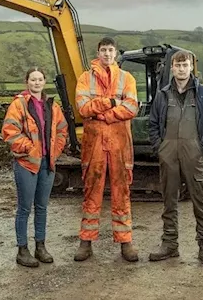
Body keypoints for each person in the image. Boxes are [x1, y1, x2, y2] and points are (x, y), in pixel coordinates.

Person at [148, 50, 203, 266]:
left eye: (185, 65)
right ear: (172, 68)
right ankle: (170, 244)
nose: (181, 69)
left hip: (193, 153)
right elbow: (153, 124)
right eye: (178, 65)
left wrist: (202, 148)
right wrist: (159, 147)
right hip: (168, 152)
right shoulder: (162, 95)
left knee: (200, 200)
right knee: (169, 200)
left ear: (191, 68)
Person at [73, 36, 140, 262]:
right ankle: (86, 241)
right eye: (103, 50)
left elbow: (131, 106)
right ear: (98, 52)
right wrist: (110, 102)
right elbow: (83, 107)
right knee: (91, 193)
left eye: (111, 50)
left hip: (119, 143)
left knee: (122, 192)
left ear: (116, 53)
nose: (107, 54)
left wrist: (104, 114)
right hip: (94, 145)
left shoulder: (126, 78)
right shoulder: (85, 78)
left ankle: (125, 242)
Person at [2, 67, 69, 268]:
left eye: (40, 79)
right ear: (27, 82)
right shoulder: (19, 105)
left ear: (44, 82)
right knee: (24, 208)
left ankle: (41, 246)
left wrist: (55, 152)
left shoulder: (51, 105)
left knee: (42, 207)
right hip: (27, 164)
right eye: (33, 80)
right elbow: (10, 131)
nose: (37, 83)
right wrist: (31, 149)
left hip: (47, 164)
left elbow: (62, 130)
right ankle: (22, 250)